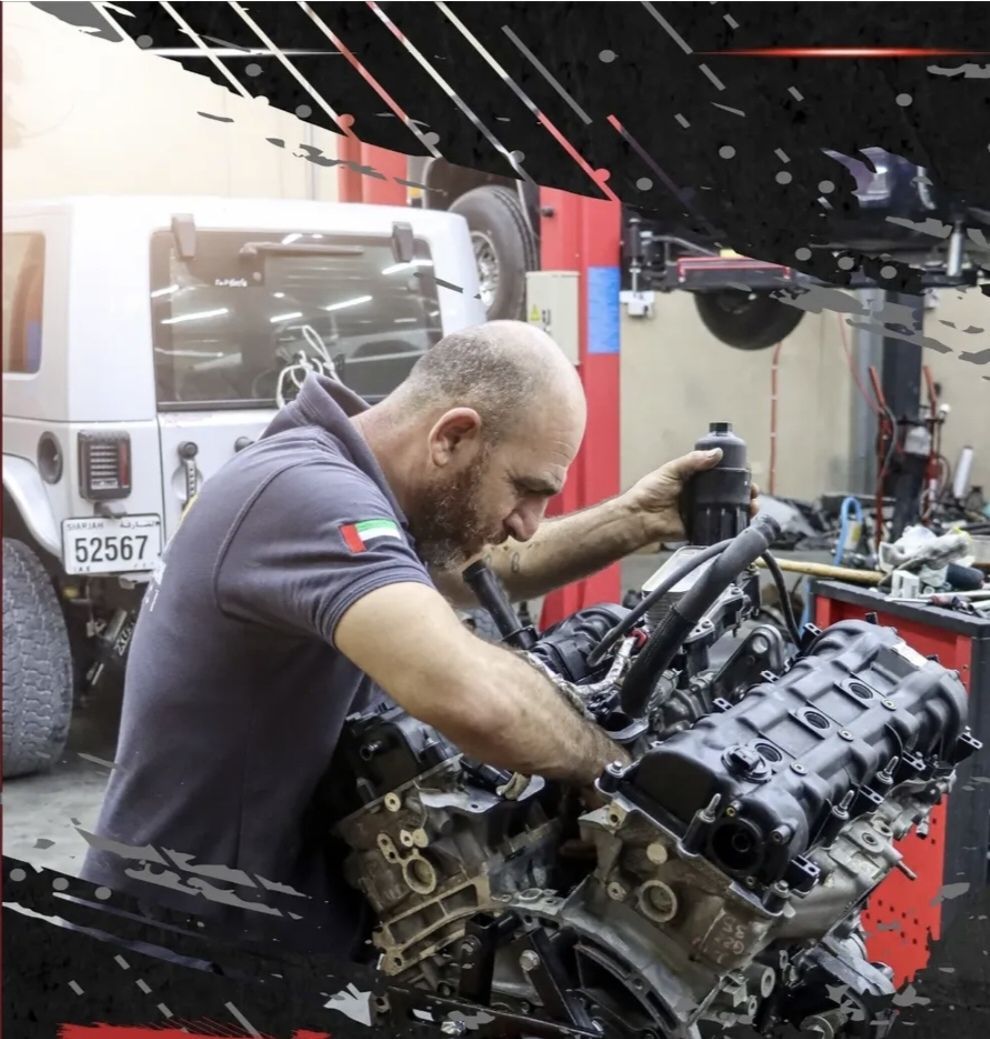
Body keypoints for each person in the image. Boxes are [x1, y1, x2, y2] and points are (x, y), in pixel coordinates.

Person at [81, 320, 744, 952]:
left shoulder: (363, 485)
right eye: (525, 489)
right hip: (182, 947)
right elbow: (468, 691)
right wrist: (618, 773)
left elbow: (489, 568)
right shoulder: (303, 494)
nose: (528, 522)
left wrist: (637, 518)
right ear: (452, 436)